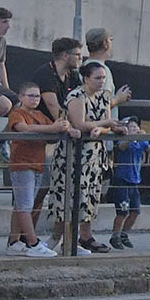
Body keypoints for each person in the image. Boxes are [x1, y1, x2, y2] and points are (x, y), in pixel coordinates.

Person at [44, 60, 121, 254]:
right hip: (73, 155)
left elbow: (106, 124)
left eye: (103, 78)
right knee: (67, 198)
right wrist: (103, 124)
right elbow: (79, 123)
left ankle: (77, 240)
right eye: (97, 78)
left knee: (87, 199)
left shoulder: (104, 96)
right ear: (86, 78)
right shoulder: (76, 96)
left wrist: (101, 129)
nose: (101, 81)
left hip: (93, 156)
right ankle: (58, 238)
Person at [2, 82, 63, 256]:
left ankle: (14, 241)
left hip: (38, 165)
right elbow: (24, 129)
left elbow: (53, 131)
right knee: (25, 206)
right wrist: (51, 128)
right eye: (31, 95)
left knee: (21, 205)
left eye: (37, 96)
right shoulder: (16, 114)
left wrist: (59, 128)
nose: (35, 99)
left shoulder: (40, 115)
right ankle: (32, 243)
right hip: (22, 164)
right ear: (21, 97)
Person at [107, 119, 149, 249]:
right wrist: (130, 137)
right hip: (122, 180)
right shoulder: (122, 141)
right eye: (131, 127)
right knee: (122, 211)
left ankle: (124, 234)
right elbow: (121, 147)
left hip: (135, 181)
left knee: (135, 211)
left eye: (136, 127)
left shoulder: (140, 143)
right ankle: (115, 236)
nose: (135, 129)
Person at [35, 36, 83, 121]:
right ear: (65, 55)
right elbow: (53, 105)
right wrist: (68, 126)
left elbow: (83, 97)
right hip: (45, 124)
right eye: (77, 55)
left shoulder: (73, 75)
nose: (81, 58)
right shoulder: (46, 73)